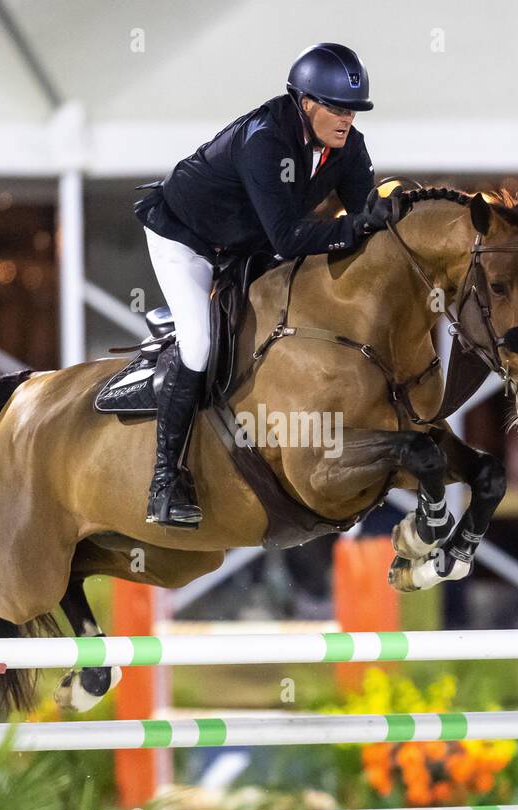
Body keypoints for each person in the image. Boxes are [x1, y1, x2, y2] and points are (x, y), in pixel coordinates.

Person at [134, 42, 399, 528]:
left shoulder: (348, 146)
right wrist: (357, 227)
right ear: (305, 103)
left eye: (354, 111)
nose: (347, 120)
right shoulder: (265, 141)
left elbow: (366, 219)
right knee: (198, 343)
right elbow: (291, 236)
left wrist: (387, 218)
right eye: (338, 108)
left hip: (245, 243)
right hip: (186, 238)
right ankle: (165, 482)